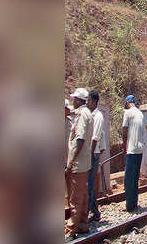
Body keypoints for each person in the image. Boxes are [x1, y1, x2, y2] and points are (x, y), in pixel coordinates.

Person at [65, 88, 93, 241]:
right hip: (84, 162)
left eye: (74, 99)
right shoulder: (87, 113)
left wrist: (71, 161)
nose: (73, 101)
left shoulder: (82, 115)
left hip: (78, 162)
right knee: (82, 194)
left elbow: (80, 139)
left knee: (75, 197)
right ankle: (83, 224)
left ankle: (71, 230)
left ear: (79, 100)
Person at [122, 94, 144, 212]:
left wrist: (123, 147)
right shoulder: (140, 113)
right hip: (140, 149)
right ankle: (134, 203)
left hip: (132, 149)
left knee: (128, 179)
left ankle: (130, 206)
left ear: (127, 103)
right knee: (135, 178)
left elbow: (124, 131)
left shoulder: (128, 112)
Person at [87, 90, 106, 222]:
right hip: (91, 152)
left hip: (93, 153)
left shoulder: (98, 116)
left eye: (88, 100)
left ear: (94, 101)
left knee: (90, 182)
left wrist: (90, 153)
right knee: (89, 183)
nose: (87, 102)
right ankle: (92, 210)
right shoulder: (91, 115)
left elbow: (95, 137)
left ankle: (94, 211)